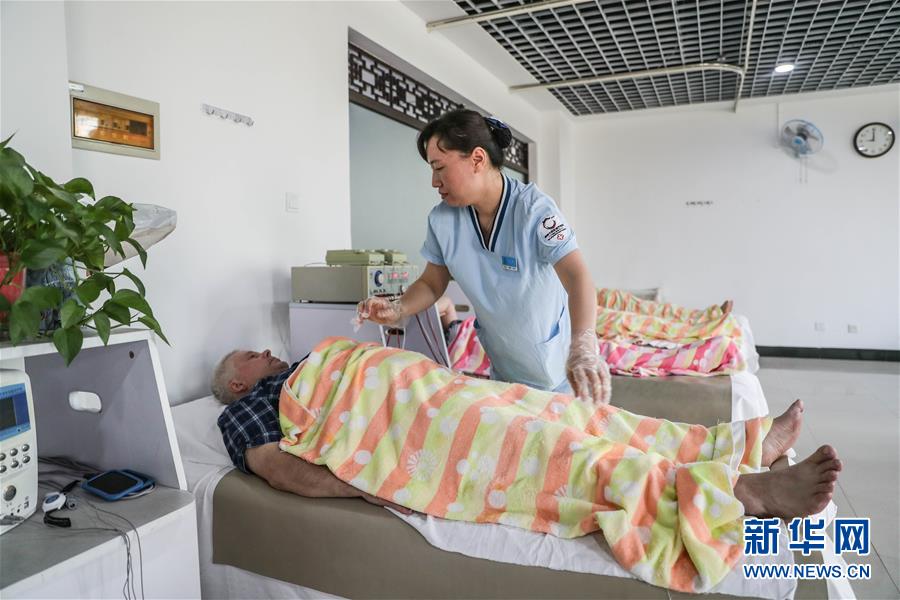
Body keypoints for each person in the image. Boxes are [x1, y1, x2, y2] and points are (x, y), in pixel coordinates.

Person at [213, 342, 841, 592]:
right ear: (238, 382)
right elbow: (276, 469)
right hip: (412, 425)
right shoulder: (253, 409)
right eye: (249, 354)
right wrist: (364, 479)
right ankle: (734, 494)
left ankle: (733, 444)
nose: (265, 350)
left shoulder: (316, 355)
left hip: (434, 388)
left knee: (582, 416)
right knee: (551, 450)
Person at [356, 109, 611, 404]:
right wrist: (398, 308)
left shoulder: (535, 211)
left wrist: (583, 346)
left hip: (560, 376)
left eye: (439, 167)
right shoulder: (443, 221)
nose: (434, 182)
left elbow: (577, 277)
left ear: (477, 159)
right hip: (504, 375)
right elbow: (431, 283)